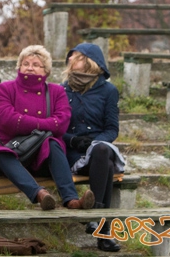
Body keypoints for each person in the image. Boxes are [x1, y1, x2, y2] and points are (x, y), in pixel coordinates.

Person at [0, 45, 95, 211]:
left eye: (36, 64)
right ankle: (40, 194)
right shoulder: (5, 89)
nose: (30, 68)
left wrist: (25, 122)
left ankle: (71, 200)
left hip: (42, 157)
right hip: (13, 150)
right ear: (19, 66)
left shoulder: (57, 91)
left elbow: (61, 124)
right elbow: (6, 120)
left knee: (53, 143)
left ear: (45, 70)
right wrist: (45, 124)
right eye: (26, 63)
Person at [62, 43, 125, 253]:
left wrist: (94, 143)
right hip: (71, 153)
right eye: (71, 57)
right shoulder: (62, 89)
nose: (70, 60)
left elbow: (111, 129)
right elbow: (56, 126)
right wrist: (74, 141)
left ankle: (95, 218)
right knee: (106, 163)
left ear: (89, 62)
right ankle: (102, 229)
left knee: (102, 152)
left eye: (76, 57)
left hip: (97, 150)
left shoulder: (108, 91)